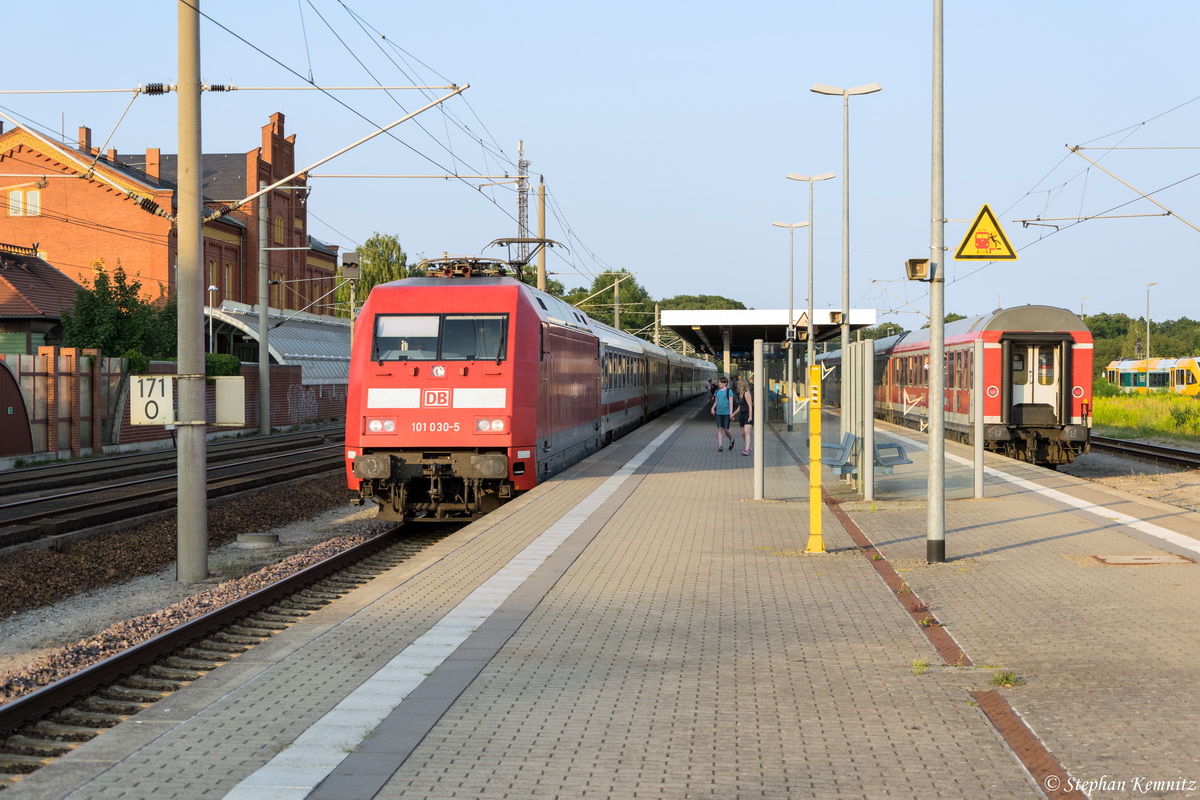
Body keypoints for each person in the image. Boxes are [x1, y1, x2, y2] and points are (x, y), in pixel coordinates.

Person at [710, 376, 736, 452]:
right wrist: (712, 408)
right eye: (719, 382)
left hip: (727, 413)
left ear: (725, 383)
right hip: (719, 413)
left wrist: (731, 414)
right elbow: (716, 402)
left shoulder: (729, 391)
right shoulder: (717, 391)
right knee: (719, 429)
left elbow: (731, 403)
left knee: (726, 429)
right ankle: (720, 445)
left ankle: (731, 440)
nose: (719, 384)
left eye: (721, 382)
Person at [735, 378, 753, 455]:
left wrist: (750, 416)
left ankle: (746, 450)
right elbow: (740, 407)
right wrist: (733, 414)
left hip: (747, 414)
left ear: (742, 385)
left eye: (739, 385)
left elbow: (750, 405)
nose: (738, 386)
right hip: (742, 414)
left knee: (747, 432)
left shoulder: (746, 393)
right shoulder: (741, 394)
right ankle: (748, 447)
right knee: (743, 433)